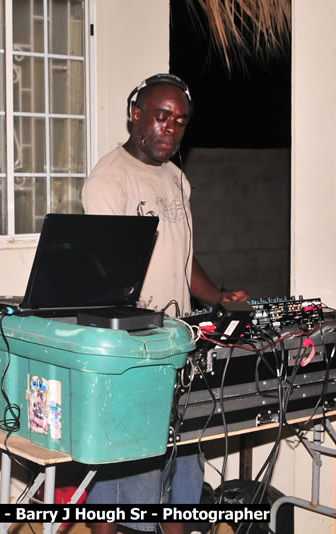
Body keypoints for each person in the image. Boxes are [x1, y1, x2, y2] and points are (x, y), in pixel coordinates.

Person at [82, 73, 249, 534]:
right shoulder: (108, 180)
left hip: (180, 344)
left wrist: (215, 295)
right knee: (125, 473)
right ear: (135, 114)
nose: (170, 128)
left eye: (179, 121)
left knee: (180, 463)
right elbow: (106, 279)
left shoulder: (177, 178)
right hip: (134, 350)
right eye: (161, 117)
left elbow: (183, 256)